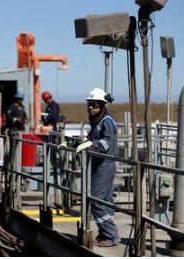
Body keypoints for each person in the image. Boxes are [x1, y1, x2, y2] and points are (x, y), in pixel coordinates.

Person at [76, 87, 120, 247]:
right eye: (89, 104)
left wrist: (89, 145)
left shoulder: (107, 122)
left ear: (102, 106)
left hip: (104, 165)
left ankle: (111, 235)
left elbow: (106, 144)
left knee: (96, 200)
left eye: (94, 105)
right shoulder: (98, 122)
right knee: (105, 200)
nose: (90, 108)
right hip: (98, 164)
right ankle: (106, 234)